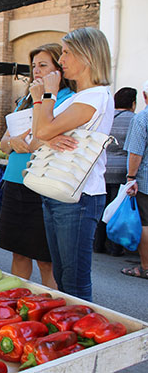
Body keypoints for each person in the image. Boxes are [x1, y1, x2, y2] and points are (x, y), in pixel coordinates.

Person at [31, 27, 114, 301]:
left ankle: (83, 326)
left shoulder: (96, 96)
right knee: (63, 276)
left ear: (87, 55)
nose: (61, 59)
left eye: (67, 52)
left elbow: (42, 130)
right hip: (60, 190)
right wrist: (47, 130)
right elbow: (38, 136)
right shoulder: (82, 97)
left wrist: (48, 94)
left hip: (79, 195)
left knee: (74, 282)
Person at [0, 43, 74, 288]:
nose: (36, 71)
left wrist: (31, 143)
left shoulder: (67, 100)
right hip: (15, 181)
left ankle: (49, 305)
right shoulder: (25, 100)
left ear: (58, 69)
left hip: (43, 183)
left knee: (45, 259)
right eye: (33, 66)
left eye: (43, 65)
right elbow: (3, 143)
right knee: (18, 253)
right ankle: (16, 300)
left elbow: (45, 139)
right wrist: (14, 142)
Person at [94, 87, 136, 256]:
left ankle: (97, 244)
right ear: (133, 103)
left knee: (101, 208)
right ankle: (115, 247)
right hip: (122, 170)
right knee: (116, 208)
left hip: (103, 167)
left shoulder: (107, 116)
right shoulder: (134, 119)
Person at [122, 80, 148, 280]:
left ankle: (145, 267)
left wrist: (131, 177)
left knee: (145, 223)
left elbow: (136, 153)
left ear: (145, 96)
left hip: (145, 180)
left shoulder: (142, 118)